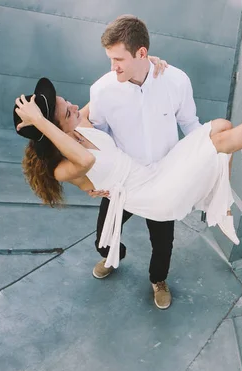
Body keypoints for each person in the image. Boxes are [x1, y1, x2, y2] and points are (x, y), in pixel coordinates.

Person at [13, 49, 242, 308]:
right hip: (137, 194)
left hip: (154, 175)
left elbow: (107, 89)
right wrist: (40, 121)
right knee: (104, 244)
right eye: (67, 111)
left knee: (221, 127)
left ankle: (162, 275)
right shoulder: (62, 168)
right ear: (55, 130)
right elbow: (87, 160)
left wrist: (143, 66)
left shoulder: (80, 123)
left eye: (69, 103)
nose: (76, 107)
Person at [88, 15, 203, 310]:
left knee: (163, 244)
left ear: (142, 53)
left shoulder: (176, 80)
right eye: (110, 59)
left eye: (118, 59)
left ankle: (158, 280)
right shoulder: (102, 90)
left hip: (164, 179)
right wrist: (98, 180)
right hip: (124, 179)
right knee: (102, 238)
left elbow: (190, 124)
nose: (113, 67)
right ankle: (113, 255)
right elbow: (97, 137)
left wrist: (203, 163)